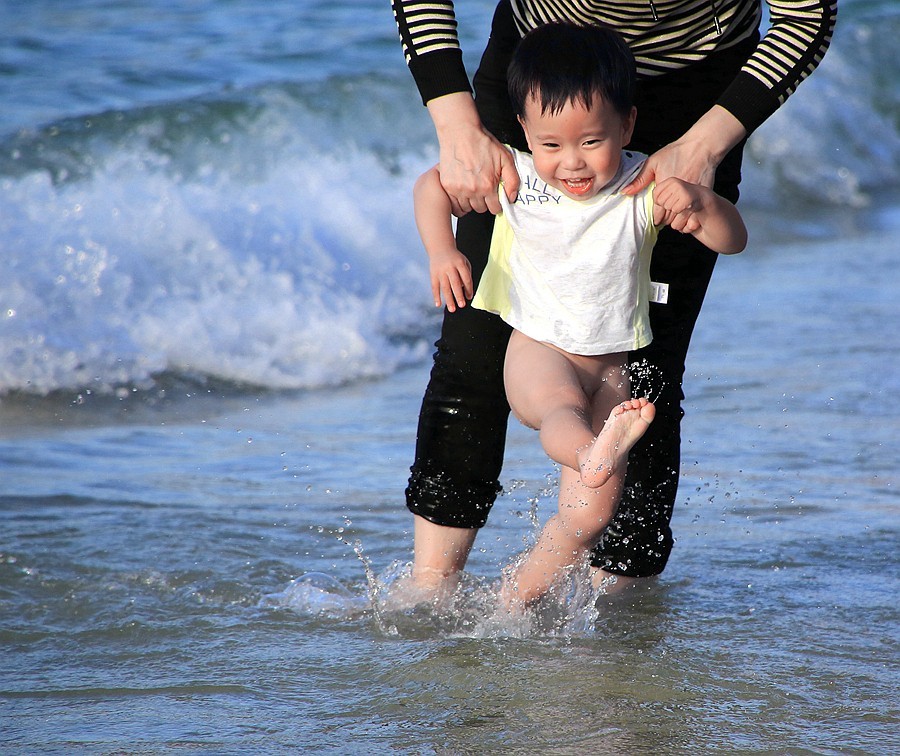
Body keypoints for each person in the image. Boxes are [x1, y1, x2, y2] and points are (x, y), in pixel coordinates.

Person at [391, 0, 838, 593]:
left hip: (697, 91)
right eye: (551, 150)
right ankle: (428, 590)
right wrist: (455, 134)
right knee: (474, 356)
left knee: (650, 378)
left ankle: (616, 612)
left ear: (626, 128)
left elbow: (807, 16)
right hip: (542, 74)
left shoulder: (645, 182)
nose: (571, 164)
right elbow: (436, 188)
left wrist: (703, 162)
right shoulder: (526, 167)